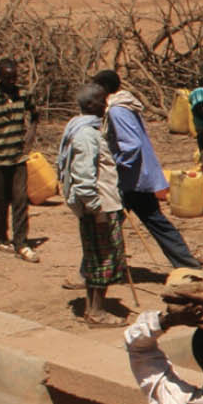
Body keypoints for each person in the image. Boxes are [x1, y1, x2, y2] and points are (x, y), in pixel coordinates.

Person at [98, 69, 201, 271]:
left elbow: (131, 144)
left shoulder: (117, 110)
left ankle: (95, 272)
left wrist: (115, 164)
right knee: (153, 222)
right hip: (137, 176)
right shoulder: (127, 105)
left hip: (130, 179)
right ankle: (188, 264)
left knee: (108, 224)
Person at [59, 83, 129, 327]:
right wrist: (96, 208)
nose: (105, 105)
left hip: (101, 204)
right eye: (101, 100)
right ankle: (97, 312)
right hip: (100, 208)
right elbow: (84, 177)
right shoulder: (86, 135)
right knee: (104, 260)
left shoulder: (83, 128)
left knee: (95, 259)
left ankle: (92, 308)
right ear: (90, 105)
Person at [0, 58, 38, 262]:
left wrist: (31, 133)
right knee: (1, 200)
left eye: (14, 77)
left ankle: (21, 242)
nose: (12, 82)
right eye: (7, 78)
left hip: (18, 156)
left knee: (20, 199)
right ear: (0, 77)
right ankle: (1, 236)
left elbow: (35, 114)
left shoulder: (23, 95)